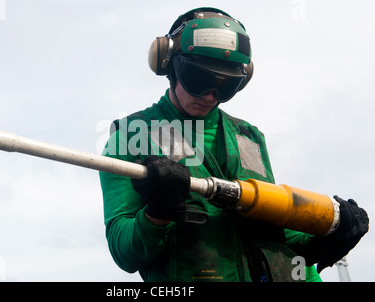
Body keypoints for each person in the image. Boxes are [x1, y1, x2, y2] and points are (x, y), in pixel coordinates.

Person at [99, 7, 369, 282]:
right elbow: (125, 254)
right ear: (169, 64)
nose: (209, 95)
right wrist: (156, 215)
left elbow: (272, 231)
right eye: (199, 79)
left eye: (226, 86)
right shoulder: (131, 136)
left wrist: (326, 238)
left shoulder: (249, 137)